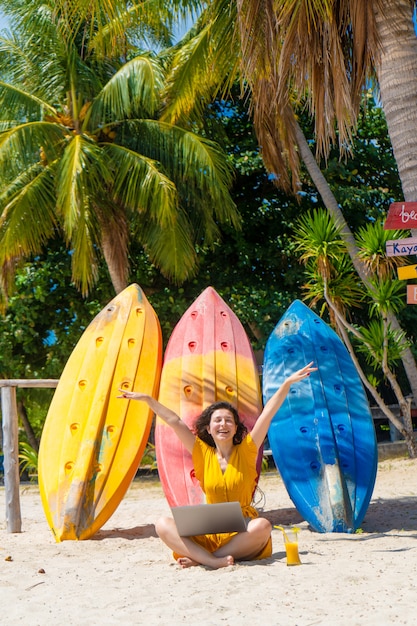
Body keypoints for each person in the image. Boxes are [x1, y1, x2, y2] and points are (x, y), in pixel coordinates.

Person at [118, 361, 316, 569]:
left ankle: (203, 559)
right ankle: (212, 559)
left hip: (242, 526)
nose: (223, 424)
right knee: (162, 524)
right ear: (209, 428)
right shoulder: (201, 451)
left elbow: (267, 414)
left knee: (264, 526)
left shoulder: (247, 449)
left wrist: (286, 383)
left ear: (236, 427)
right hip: (210, 524)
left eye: (229, 420)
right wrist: (148, 399)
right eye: (217, 420)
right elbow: (174, 420)